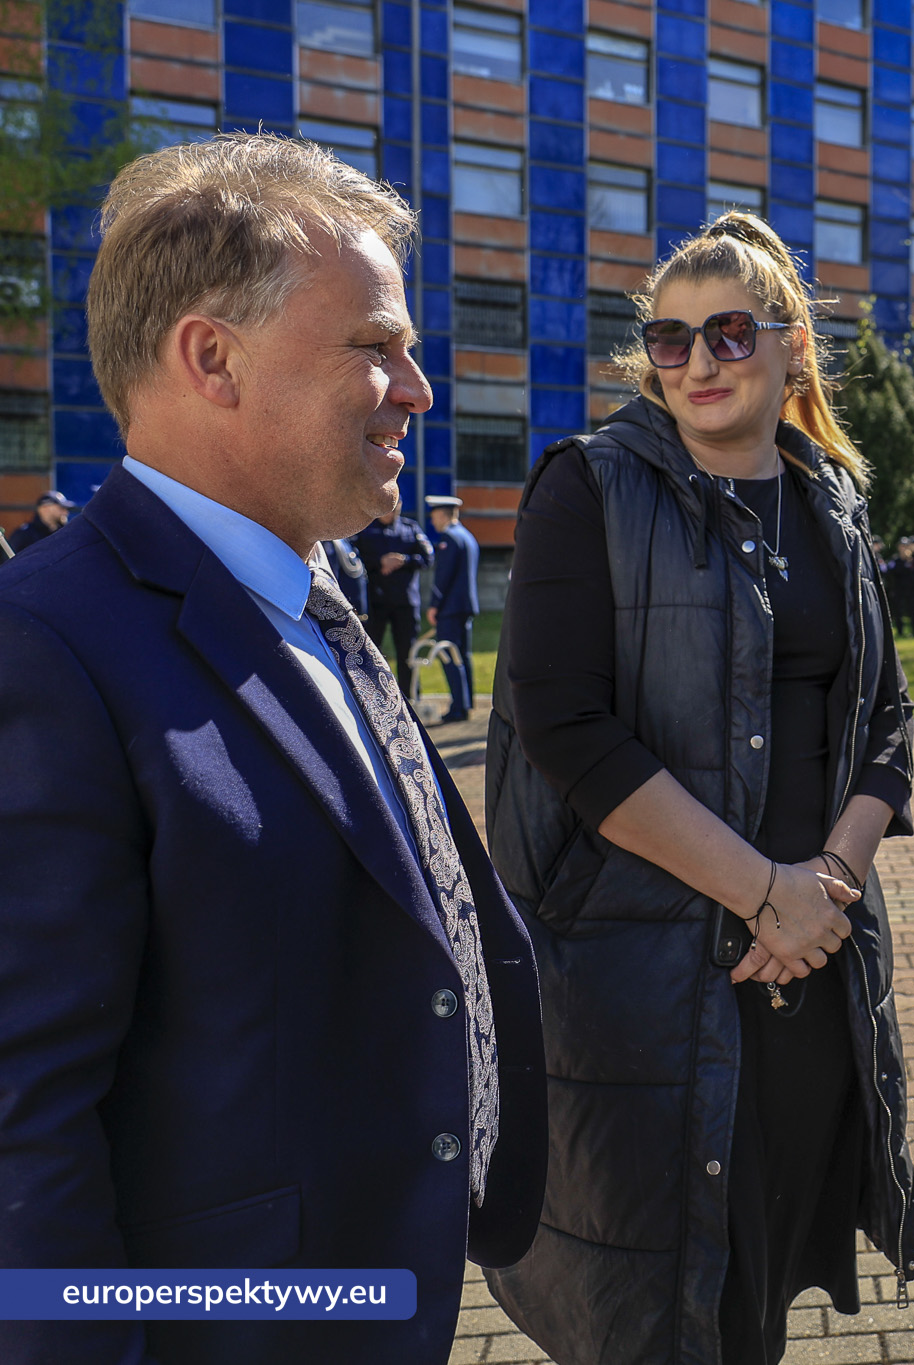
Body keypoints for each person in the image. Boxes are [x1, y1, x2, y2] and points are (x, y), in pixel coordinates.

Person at [0, 133, 544, 1364]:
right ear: (212, 357)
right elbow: (21, 1138)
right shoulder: (45, 650)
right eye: (376, 346)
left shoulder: (308, 592)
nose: (417, 388)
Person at [485, 211, 914, 1365]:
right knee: (661, 1308)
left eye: (729, 334)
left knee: (758, 1285)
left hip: (808, 965)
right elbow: (564, 729)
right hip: (648, 971)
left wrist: (823, 884)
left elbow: (886, 717)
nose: (696, 362)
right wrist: (760, 892)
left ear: (792, 352)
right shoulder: (587, 487)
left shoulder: (832, 502)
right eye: (668, 340)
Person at [356, 503, 434, 698]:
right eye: (388, 509)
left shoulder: (411, 528)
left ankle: (411, 695)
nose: (391, 513)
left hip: (405, 602)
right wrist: (379, 562)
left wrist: (404, 560)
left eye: (396, 509)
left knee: (407, 651)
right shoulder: (366, 530)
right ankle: (374, 695)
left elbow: (428, 557)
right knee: (372, 650)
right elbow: (354, 559)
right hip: (377, 602)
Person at [427, 493, 480, 724]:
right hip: (466, 605)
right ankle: (466, 703)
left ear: (442, 514)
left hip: (449, 607)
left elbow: (443, 577)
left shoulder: (449, 538)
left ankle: (458, 707)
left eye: (434, 516)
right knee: (463, 656)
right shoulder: (467, 536)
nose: (433, 522)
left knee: (449, 657)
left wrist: (434, 605)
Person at [317, 533, 372, 616]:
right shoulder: (328, 541)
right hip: (344, 608)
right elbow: (331, 578)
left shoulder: (345, 539)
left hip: (357, 604)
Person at [7, 489, 77, 554]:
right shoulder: (24, 534)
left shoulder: (64, 532)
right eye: (61, 508)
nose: (65, 512)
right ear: (44, 508)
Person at [887, 536, 914, 637]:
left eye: (905, 546)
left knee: (913, 611)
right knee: (898, 612)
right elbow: (891, 571)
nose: (903, 548)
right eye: (902, 546)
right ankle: (900, 632)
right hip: (899, 589)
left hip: (911, 590)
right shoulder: (895, 559)